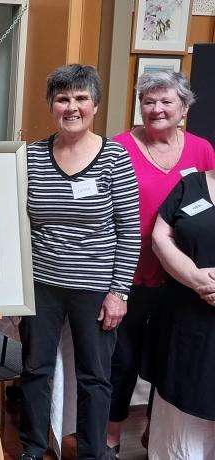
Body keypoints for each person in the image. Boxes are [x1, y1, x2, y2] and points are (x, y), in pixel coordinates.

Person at [19, 64, 141, 460]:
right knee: (36, 370)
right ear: (51, 105)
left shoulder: (114, 157)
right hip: (40, 283)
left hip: (95, 287)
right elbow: (16, 219)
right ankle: (33, 447)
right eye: (62, 98)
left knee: (95, 376)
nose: (71, 106)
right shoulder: (31, 156)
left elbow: (129, 230)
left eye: (80, 98)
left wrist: (119, 292)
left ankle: (92, 452)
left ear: (95, 104)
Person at [107, 70, 215, 455]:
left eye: (166, 101)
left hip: (179, 280)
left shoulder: (202, 150)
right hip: (129, 272)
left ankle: (158, 429)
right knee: (121, 358)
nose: (156, 109)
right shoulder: (118, 147)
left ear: (183, 107)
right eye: (148, 101)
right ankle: (112, 435)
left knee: (165, 358)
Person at [148, 169, 215, 458]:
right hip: (187, 324)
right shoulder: (191, 185)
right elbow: (160, 237)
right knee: (181, 422)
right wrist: (197, 279)